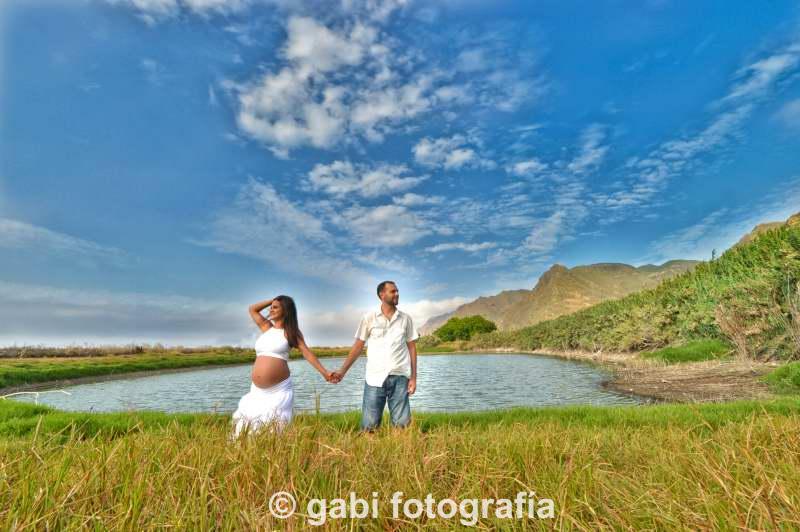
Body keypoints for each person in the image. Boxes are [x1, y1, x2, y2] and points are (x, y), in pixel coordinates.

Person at [230, 295, 338, 438]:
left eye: (275, 307)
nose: (271, 309)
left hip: (278, 389)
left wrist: (325, 373)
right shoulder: (266, 327)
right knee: (247, 425)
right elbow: (252, 309)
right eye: (271, 307)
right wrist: (274, 299)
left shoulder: (291, 333)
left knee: (273, 427)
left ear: (286, 310)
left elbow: (307, 353)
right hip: (256, 390)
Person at [333, 281, 419, 431]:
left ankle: (403, 453)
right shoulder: (369, 318)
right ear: (382, 295)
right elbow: (358, 347)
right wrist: (342, 371)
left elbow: (412, 348)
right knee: (369, 428)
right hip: (374, 378)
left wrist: (413, 377)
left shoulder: (406, 319)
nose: (397, 294)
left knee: (402, 427)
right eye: (393, 291)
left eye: (397, 291)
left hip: (400, 377)